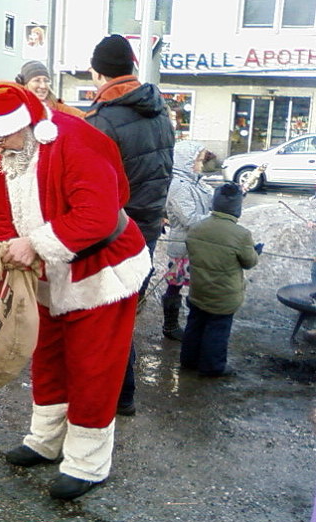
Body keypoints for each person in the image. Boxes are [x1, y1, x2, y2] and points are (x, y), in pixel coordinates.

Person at [0, 82, 151, 500]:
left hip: (100, 273)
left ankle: (87, 462)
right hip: (47, 274)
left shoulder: (76, 141)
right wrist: (14, 251)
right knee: (47, 357)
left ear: (24, 125)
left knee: (93, 367)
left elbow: (98, 215)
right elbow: (7, 212)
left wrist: (35, 245)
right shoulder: (7, 152)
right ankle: (46, 439)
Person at [86, 34, 175, 415]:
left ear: (98, 72)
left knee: (106, 313)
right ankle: (122, 394)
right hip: (148, 226)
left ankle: (118, 394)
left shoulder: (103, 121)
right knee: (126, 307)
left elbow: (92, 190)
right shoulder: (160, 111)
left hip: (116, 229)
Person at [181, 182, 261, 377]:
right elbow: (249, 262)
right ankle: (212, 367)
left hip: (199, 289)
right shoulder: (241, 234)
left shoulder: (197, 227)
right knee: (217, 330)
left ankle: (188, 360)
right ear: (237, 209)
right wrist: (256, 252)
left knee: (195, 324)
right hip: (223, 296)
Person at [162, 141, 214, 341]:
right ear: (186, 161)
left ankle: (194, 325)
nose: (201, 165)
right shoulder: (178, 186)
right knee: (175, 285)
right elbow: (190, 219)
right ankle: (171, 325)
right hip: (182, 247)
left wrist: (229, 196)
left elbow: (212, 200)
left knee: (197, 286)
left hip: (198, 244)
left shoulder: (196, 182)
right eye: (199, 161)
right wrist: (216, 218)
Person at [14, 60, 86, 118]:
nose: (43, 86)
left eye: (46, 81)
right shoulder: (15, 111)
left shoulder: (62, 110)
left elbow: (88, 122)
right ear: (23, 84)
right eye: (37, 80)